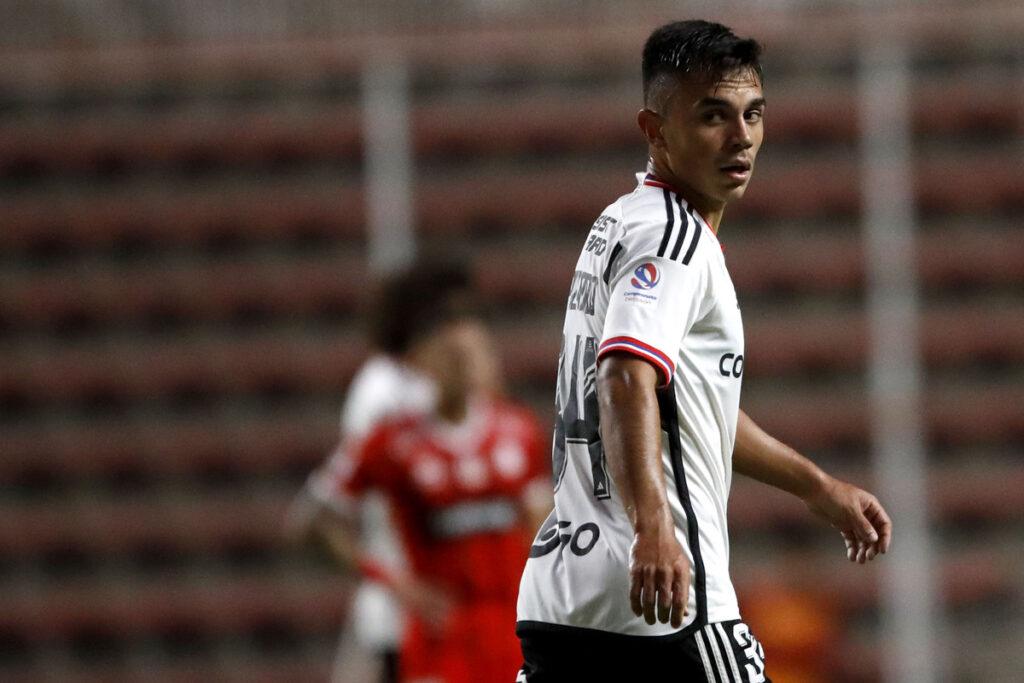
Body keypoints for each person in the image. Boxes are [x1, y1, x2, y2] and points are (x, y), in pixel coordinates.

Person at [515, 20, 892, 682]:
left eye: (753, 114)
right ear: (655, 129)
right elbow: (626, 376)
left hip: (563, 594)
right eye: (713, 116)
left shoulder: (621, 222)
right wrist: (653, 525)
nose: (741, 136)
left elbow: (686, 406)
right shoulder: (675, 242)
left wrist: (818, 486)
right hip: (662, 597)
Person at [299, 274, 552, 683]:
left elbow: (540, 526)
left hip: (512, 637)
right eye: (453, 353)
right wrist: (392, 581)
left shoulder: (519, 431)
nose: (466, 363)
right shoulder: (393, 436)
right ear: (424, 358)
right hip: (438, 641)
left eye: (474, 352)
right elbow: (313, 520)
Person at [287, 262, 472, 683]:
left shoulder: (440, 389)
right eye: (456, 317)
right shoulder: (385, 392)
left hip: (458, 604)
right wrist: (391, 581)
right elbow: (336, 504)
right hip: (406, 608)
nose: (468, 331)